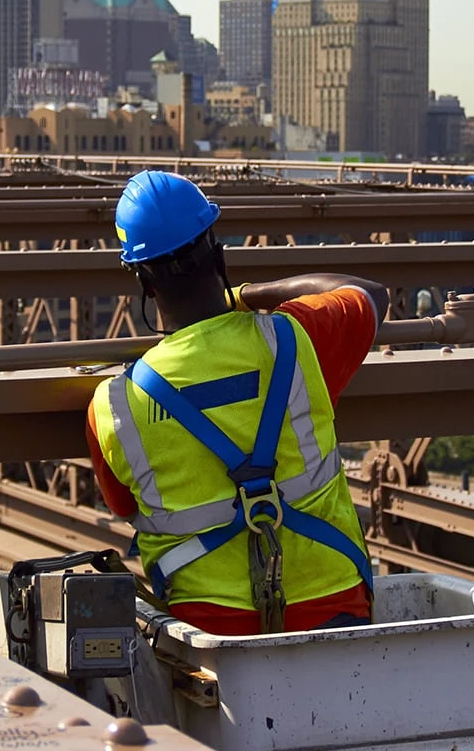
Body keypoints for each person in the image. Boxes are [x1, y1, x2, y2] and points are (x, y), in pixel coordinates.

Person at [84, 170, 389, 636]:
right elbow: (369, 294)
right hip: (334, 609)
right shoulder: (294, 338)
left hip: (208, 638)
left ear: (144, 282)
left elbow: (124, 506)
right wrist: (245, 295)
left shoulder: (114, 406)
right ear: (219, 253)